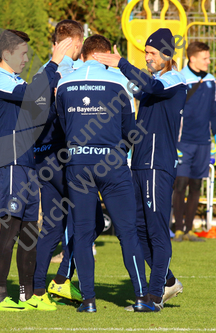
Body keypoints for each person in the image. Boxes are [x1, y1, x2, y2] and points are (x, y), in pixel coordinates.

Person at [57, 34, 154, 313]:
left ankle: (88, 301)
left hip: (77, 162)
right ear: (106, 54)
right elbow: (130, 130)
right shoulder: (119, 81)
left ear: (85, 54)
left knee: (84, 234)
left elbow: (63, 124)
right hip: (111, 162)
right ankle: (141, 297)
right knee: (127, 232)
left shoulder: (65, 81)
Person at [94, 28, 186, 309]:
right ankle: (167, 281)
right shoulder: (153, 82)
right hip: (138, 165)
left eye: (151, 53)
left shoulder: (173, 80)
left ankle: (154, 295)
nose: (147, 57)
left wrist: (121, 63)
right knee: (133, 229)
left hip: (158, 167)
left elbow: (149, 87)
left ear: (166, 55)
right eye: (145, 52)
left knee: (157, 231)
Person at [0, 29, 72, 311]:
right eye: (22, 53)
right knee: (11, 230)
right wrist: (54, 63)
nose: (26, 58)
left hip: (28, 163)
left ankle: (27, 295)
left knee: (30, 231)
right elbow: (33, 94)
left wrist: (56, 81)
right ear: (7, 54)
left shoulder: (16, 81)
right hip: (9, 163)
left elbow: (39, 104)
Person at [33, 20, 105, 306]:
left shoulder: (43, 70)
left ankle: (39, 290)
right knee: (92, 221)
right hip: (63, 158)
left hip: (43, 157)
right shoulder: (72, 73)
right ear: (75, 43)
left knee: (52, 226)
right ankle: (62, 279)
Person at [172, 41, 216, 242]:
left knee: (196, 184)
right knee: (180, 183)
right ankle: (178, 228)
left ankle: (189, 229)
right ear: (193, 59)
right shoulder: (180, 79)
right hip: (183, 142)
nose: (209, 61)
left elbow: (214, 113)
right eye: (205, 58)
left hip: (203, 142)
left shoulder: (211, 81)